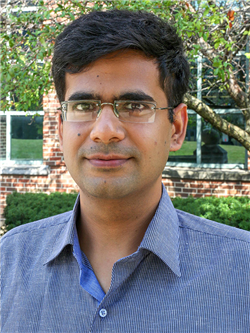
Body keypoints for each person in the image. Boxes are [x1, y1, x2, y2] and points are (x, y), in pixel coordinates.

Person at [1, 9, 249, 333]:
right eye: (84, 106)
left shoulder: (242, 272)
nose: (105, 131)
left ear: (176, 127)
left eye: (134, 106)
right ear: (60, 128)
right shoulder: (9, 263)